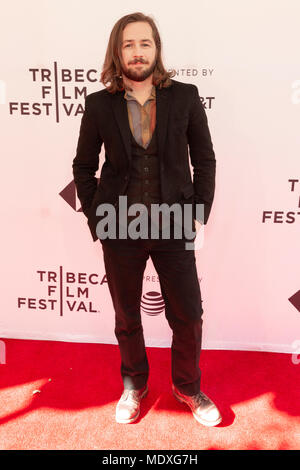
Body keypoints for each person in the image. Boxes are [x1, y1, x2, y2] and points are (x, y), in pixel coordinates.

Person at [72, 12, 222, 427]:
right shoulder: (99, 105)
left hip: (174, 223)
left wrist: (198, 214)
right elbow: (83, 167)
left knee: (189, 314)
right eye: (128, 45)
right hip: (119, 227)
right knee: (126, 315)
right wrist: (98, 219)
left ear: (156, 49)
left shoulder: (186, 97)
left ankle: (187, 386)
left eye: (144, 43)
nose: (137, 52)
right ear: (117, 53)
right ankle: (134, 384)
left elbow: (205, 160)